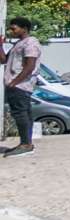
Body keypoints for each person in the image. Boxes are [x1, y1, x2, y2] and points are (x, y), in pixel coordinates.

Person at [2, 17, 43, 157]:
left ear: (24, 28)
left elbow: (29, 66)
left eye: (14, 28)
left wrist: (14, 82)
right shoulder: (19, 44)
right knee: (24, 114)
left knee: (21, 114)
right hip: (17, 85)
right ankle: (26, 143)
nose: (11, 31)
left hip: (21, 86)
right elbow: (3, 60)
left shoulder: (31, 43)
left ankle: (26, 144)